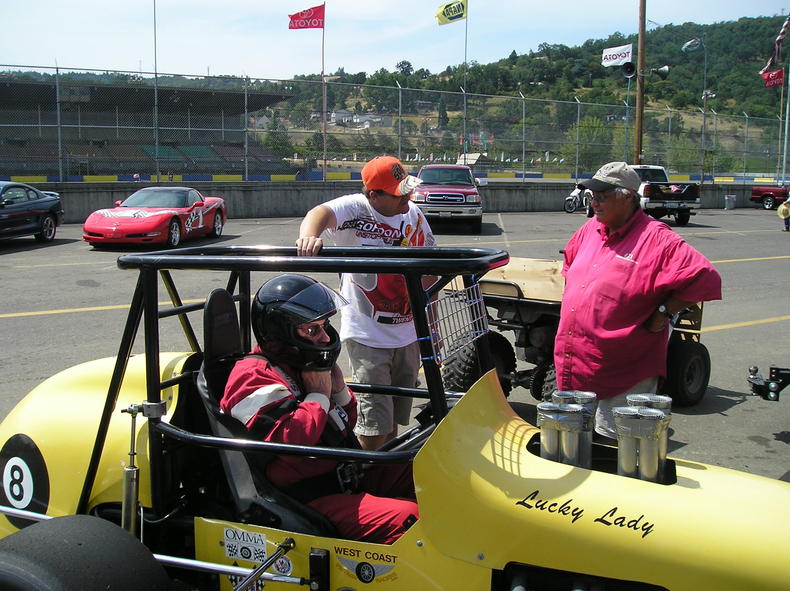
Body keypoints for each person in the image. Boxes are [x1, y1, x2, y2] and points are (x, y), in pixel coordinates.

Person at [220, 274, 418, 544]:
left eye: (325, 326)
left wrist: (337, 393)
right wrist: (318, 396)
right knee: (411, 519)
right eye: (313, 330)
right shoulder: (254, 375)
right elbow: (294, 442)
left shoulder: (303, 366)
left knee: (426, 472)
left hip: (344, 476)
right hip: (306, 497)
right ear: (282, 333)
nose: (326, 337)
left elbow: (342, 426)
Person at [554, 161, 722, 439]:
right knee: (573, 444)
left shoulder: (656, 239)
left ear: (628, 196)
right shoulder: (590, 230)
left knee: (615, 449)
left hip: (623, 373)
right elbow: (570, 263)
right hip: (577, 363)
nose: (594, 202)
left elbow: (705, 278)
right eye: (591, 196)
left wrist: (664, 312)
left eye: (602, 196)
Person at [296, 155, 436, 450]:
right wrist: (309, 237)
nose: (407, 197)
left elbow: (430, 272)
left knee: (395, 418)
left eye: (409, 189)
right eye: (400, 192)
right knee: (374, 422)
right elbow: (319, 213)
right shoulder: (357, 210)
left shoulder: (413, 215)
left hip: (407, 334)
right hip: (368, 335)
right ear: (374, 195)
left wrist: (431, 329)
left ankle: (387, 473)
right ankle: (366, 481)